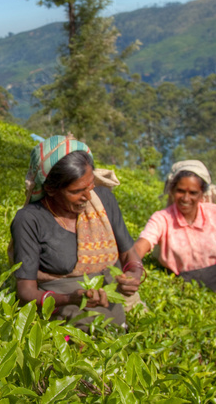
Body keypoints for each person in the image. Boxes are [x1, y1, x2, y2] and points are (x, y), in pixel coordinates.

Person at [9, 135, 144, 330]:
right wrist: (70, 299)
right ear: (51, 189)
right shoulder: (30, 220)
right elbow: (26, 291)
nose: (88, 197)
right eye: (77, 191)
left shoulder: (103, 199)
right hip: (61, 309)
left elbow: (128, 253)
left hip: (112, 302)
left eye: (90, 186)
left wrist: (134, 274)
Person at [133, 160, 216, 296]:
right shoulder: (162, 219)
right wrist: (131, 267)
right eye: (180, 191)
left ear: (202, 194)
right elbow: (142, 245)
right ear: (172, 191)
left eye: (193, 193)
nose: (186, 198)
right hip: (181, 286)